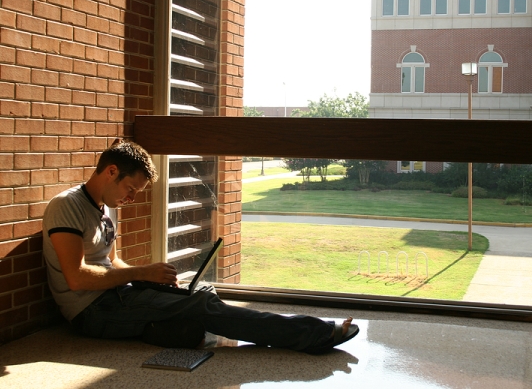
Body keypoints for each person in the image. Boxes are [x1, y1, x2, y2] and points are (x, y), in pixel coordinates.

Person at [42, 139, 359, 353]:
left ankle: (175, 330)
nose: (131, 198)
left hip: (118, 296)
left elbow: (111, 262)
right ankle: (314, 334)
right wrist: (143, 272)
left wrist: (150, 276)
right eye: (130, 189)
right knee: (201, 308)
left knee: (201, 296)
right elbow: (78, 277)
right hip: (92, 311)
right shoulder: (66, 207)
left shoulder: (107, 206)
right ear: (111, 172)